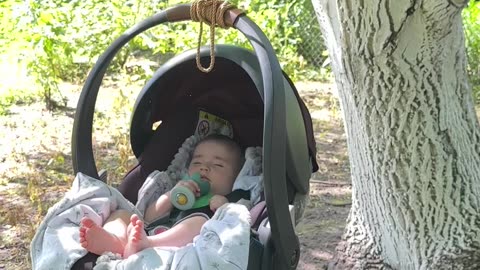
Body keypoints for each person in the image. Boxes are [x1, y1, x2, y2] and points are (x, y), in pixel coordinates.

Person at [78, 134, 247, 258]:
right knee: (121, 215)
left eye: (217, 165)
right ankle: (116, 242)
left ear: (237, 176)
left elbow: (239, 222)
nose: (204, 168)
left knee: (201, 221)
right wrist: (170, 196)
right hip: (149, 233)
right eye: (197, 162)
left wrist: (224, 207)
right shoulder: (183, 190)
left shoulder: (235, 197)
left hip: (185, 244)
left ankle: (147, 245)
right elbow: (149, 217)